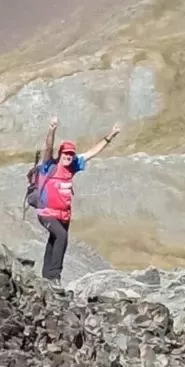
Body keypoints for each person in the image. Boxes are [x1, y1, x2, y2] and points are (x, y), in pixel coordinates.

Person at [33, 117, 122, 283]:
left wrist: (111, 135)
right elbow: (48, 147)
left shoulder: (73, 166)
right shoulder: (49, 165)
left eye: (70, 154)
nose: (68, 156)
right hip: (46, 212)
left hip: (63, 215)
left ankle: (46, 276)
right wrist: (51, 130)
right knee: (61, 237)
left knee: (54, 240)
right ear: (60, 154)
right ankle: (54, 276)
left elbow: (92, 152)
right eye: (65, 153)